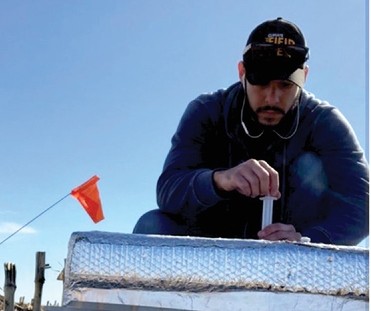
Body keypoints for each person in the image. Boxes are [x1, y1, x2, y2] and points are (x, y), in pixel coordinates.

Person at [134, 18, 369, 246]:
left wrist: (308, 241)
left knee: (310, 166)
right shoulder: (206, 111)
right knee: (151, 226)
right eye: (260, 81)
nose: (272, 98)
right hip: (214, 243)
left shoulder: (324, 121)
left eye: (286, 85)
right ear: (242, 73)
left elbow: (364, 206)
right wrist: (220, 180)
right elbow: (168, 190)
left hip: (290, 251)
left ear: (304, 77)